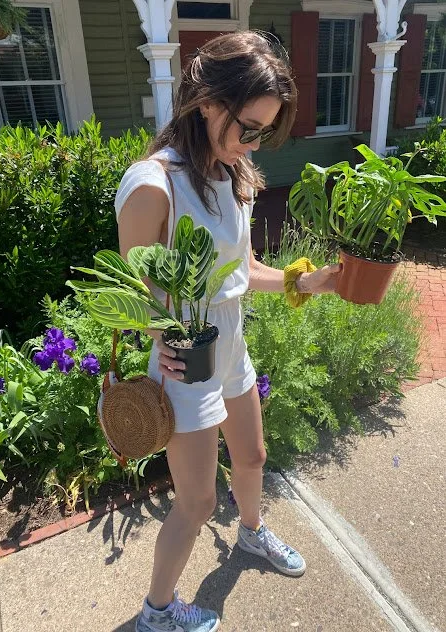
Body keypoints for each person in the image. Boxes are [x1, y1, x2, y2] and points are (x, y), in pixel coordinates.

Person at [115, 31, 341, 632]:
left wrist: (308, 281)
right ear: (206, 101)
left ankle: (251, 533)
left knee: (253, 455)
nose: (254, 143)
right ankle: (157, 611)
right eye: (249, 127)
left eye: (264, 131)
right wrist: (159, 335)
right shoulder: (152, 185)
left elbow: (242, 270)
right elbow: (130, 290)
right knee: (196, 501)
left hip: (231, 342)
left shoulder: (230, 171)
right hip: (185, 357)